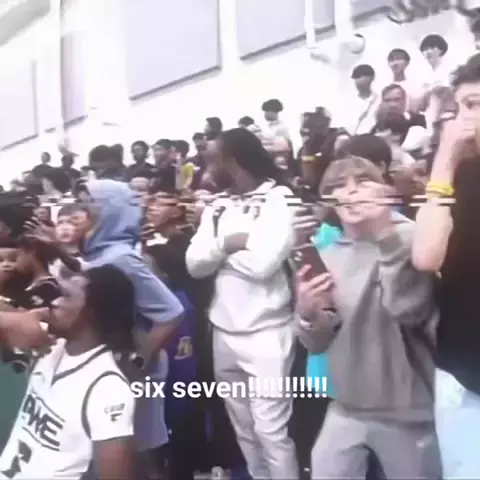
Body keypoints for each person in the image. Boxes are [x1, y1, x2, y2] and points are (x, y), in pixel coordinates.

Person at [297, 154, 441, 479]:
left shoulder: (412, 239)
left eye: (362, 181)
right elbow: (316, 343)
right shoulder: (327, 254)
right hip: (346, 404)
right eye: (338, 185)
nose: (351, 191)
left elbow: (408, 310)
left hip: (408, 409)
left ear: (384, 190)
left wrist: (384, 233)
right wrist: (308, 314)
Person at [186, 128, 299, 480]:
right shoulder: (217, 206)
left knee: (271, 432)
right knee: (245, 430)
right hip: (224, 331)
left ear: (234, 159)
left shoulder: (281, 198)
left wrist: (218, 254)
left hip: (267, 332)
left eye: (212, 160)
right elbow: (194, 265)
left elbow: (263, 265)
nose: (206, 170)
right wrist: (230, 244)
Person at [0, 266, 137, 480]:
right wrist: (15, 319)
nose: (53, 302)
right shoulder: (50, 345)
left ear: (91, 312)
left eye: (64, 296)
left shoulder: (107, 388)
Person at [412, 53, 480, 478]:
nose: (464, 120)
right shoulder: (457, 175)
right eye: (461, 107)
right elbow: (425, 256)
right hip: (461, 368)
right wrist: (444, 163)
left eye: (474, 105)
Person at [347, 64, 380, 135]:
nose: (358, 80)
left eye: (361, 76)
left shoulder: (379, 101)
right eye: (356, 77)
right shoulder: (349, 102)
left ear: (372, 78)